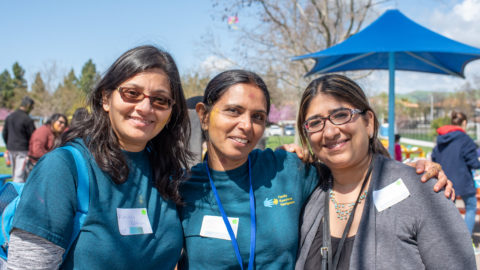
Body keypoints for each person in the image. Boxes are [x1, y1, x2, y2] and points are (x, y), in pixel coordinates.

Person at [178, 70, 452, 269]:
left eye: (258, 117)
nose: (246, 126)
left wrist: (412, 171)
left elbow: (350, 169)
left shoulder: (286, 169)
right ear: (203, 115)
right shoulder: (179, 189)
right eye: (233, 111)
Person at [7, 45, 191, 269]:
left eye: (160, 100)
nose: (145, 107)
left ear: (171, 110)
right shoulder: (63, 168)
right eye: (132, 93)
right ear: (106, 98)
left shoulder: (171, 174)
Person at [295, 74, 475, 269]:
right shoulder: (306, 192)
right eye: (315, 123)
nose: (329, 132)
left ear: (368, 123)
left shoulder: (421, 191)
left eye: (341, 115)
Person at [432, 111, 480, 236]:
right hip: (463, 181)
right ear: (464, 123)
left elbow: (434, 158)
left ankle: (450, 240)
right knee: (471, 206)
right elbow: (473, 163)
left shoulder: (441, 139)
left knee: (449, 211)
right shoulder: (466, 139)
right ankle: (466, 240)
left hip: (444, 180)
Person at [2, 96, 35, 183]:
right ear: (28, 105)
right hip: (23, 150)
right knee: (19, 176)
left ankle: (16, 193)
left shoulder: (10, 117)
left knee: (15, 174)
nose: (32, 109)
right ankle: (18, 195)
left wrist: (8, 144)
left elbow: (4, 133)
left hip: (11, 148)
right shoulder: (27, 119)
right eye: (32, 107)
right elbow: (33, 136)